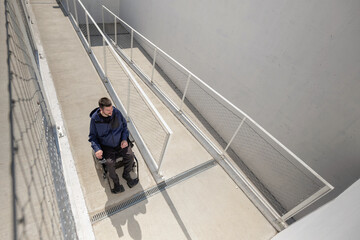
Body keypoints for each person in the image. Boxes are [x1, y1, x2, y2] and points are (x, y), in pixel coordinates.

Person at [89, 97, 139, 193]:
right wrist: (97, 149)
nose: (111, 112)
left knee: (130, 155)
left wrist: (124, 139)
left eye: (111, 109)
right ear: (101, 109)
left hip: (120, 143)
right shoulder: (95, 120)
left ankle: (126, 174)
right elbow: (92, 137)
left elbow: (124, 127)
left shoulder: (116, 113)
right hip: (107, 147)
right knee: (109, 163)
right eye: (108, 110)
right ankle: (116, 182)